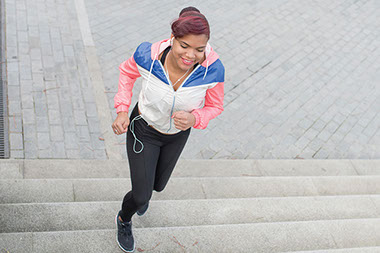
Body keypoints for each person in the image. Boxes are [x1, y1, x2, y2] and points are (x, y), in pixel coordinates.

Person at [112, 6, 225, 252]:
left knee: (158, 186)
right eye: (184, 45)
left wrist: (195, 118)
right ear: (172, 39)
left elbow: (215, 105)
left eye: (199, 49)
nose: (191, 55)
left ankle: (145, 190)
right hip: (143, 129)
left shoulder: (214, 70)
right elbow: (126, 72)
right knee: (141, 197)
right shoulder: (147, 56)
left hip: (176, 136)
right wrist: (122, 109)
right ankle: (124, 219)